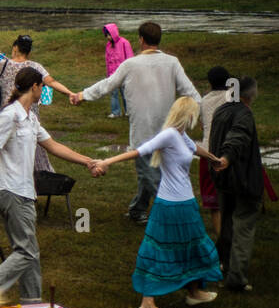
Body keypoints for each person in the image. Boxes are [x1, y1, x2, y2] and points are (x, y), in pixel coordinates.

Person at [0, 68, 106, 303]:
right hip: (11, 192)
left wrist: (87, 162)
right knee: (26, 251)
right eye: (41, 86)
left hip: (22, 192)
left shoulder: (30, 118)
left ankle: (32, 304)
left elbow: (53, 146)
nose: (43, 89)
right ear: (34, 87)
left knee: (29, 253)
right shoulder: (11, 115)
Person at [97, 97, 223, 308]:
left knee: (191, 245)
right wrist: (107, 162)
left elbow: (196, 149)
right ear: (188, 115)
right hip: (169, 205)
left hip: (186, 204)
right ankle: (147, 303)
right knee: (160, 250)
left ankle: (194, 292)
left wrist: (214, 158)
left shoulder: (182, 136)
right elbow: (139, 151)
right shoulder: (169, 135)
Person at [71, 22, 198, 224]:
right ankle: (138, 209)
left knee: (153, 177)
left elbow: (107, 84)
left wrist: (82, 95)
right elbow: (190, 92)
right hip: (168, 130)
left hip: (143, 132)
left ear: (140, 40)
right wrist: (199, 113)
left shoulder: (131, 65)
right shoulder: (172, 62)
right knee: (148, 173)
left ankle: (173, 217)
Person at [0, 35, 72, 187]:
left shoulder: (4, 64)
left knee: (2, 149)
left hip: (7, 115)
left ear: (15, 48)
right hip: (30, 114)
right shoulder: (35, 67)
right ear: (28, 51)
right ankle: (36, 183)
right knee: (33, 149)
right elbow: (51, 82)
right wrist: (70, 94)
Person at [209, 77, 262, 292]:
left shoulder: (221, 110)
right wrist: (228, 158)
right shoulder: (244, 114)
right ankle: (237, 277)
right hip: (242, 179)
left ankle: (223, 263)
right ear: (250, 95)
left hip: (223, 180)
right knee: (243, 226)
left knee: (227, 224)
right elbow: (237, 136)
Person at [197, 67, 232, 236]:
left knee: (214, 202)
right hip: (229, 150)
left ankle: (221, 236)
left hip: (208, 151)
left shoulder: (204, 101)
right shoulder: (233, 98)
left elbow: (203, 123)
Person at [103, 23, 134, 118]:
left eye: (109, 35)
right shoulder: (108, 45)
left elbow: (130, 58)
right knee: (113, 93)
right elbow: (108, 60)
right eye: (106, 35)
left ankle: (129, 111)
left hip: (123, 74)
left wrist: (129, 73)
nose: (108, 37)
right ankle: (116, 112)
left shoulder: (124, 43)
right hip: (113, 75)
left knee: (125, 93)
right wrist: (109, 74)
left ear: (113, 33)